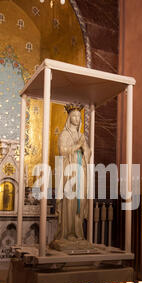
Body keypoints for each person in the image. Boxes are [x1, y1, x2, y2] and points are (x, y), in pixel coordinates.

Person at [51, 104, 91, 247]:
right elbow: (62, 152)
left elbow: (88, 153)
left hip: (81, 170)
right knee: (70, 202)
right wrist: (77, 146)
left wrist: (85, 148)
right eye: (73, 116)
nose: (76, 118)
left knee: (80, 202)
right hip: (70, 172)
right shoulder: (64, 134)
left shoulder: (81, 135)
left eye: (78, 116)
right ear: (69, 118)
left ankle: (78, 233)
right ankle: (67, 233)